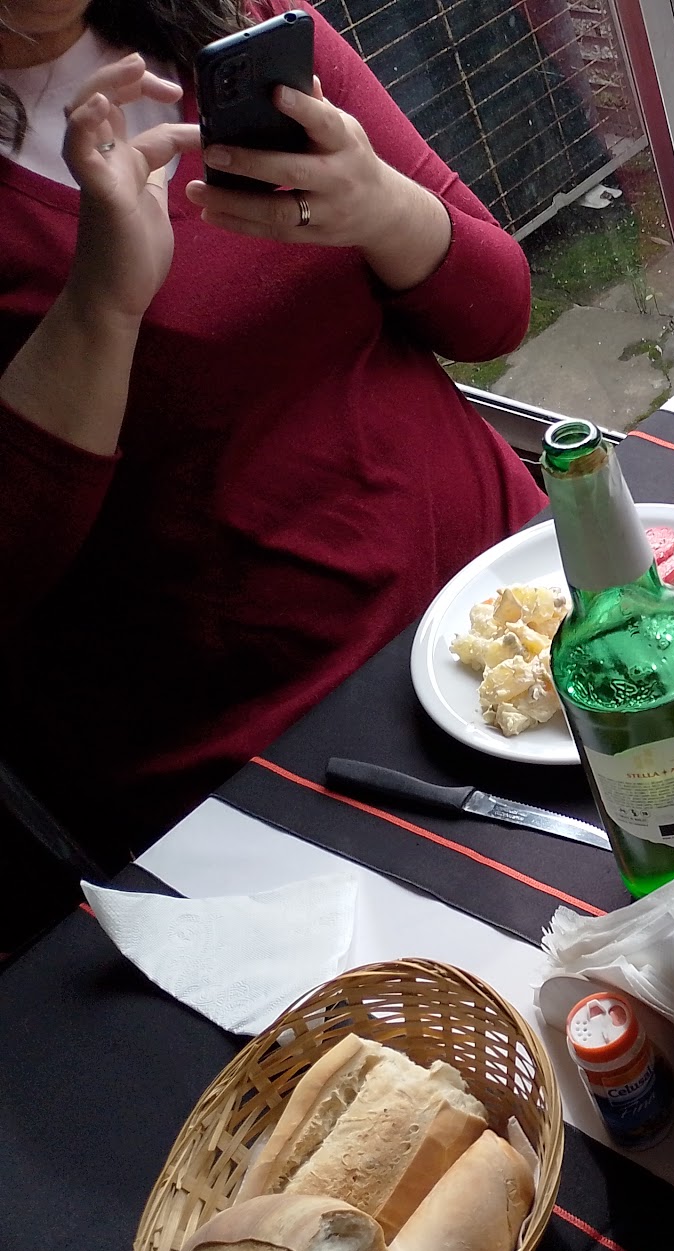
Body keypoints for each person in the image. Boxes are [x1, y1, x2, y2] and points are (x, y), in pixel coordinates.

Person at [0, 0, 547, 947]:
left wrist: (381, 207)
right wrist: (101, 306)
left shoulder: (237, 28)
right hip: (283, 757)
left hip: (514, 601)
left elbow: (496, 315)